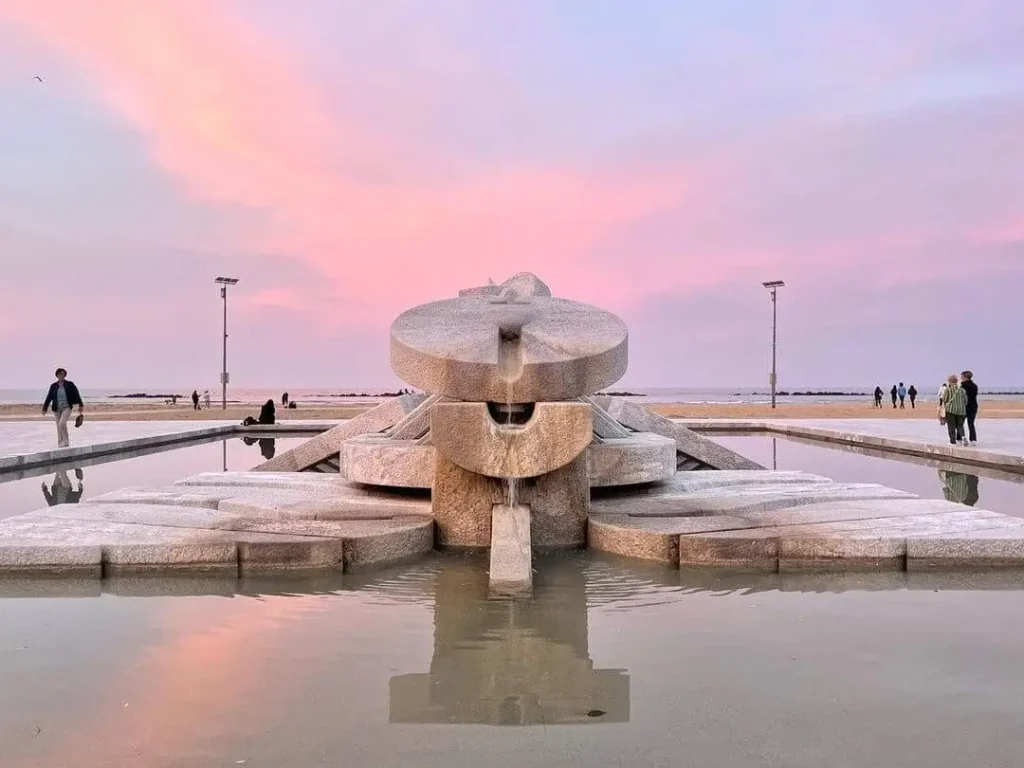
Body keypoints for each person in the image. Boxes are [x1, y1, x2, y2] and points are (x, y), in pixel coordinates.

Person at [42, 368, 84, 448]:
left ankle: (66, 441)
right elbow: (49, 397)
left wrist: (80, 405)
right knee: (58, 426)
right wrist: (45, 407)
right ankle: (60, 443)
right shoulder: (53, 386)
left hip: (67, 407)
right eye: (59, 374)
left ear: (65, 375)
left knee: (62, 423)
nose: (61, 376)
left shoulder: (70, 384)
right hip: (56, 408)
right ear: (57, 375)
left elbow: (76, 394)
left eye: (63, 374)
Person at [941, 373, 968, 445]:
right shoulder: (962, 390)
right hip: (961, 411)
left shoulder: (948, 390)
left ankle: (952, 441)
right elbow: (965, 400)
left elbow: (944, 399)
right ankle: (963, 437)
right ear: (956, 381)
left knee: (951, 425)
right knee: (960, 425)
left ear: (949, 381)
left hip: (950, 410)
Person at [961, 370, 979, 444]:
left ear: (965, 377)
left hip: (965, 406)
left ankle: (959, 438)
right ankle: (973, 439)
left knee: (960, 423)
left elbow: (961, 396)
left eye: (962, 376)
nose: (961, 377)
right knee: (971, 423)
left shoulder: (963, 385)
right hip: (973, 405)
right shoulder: (974, 385)